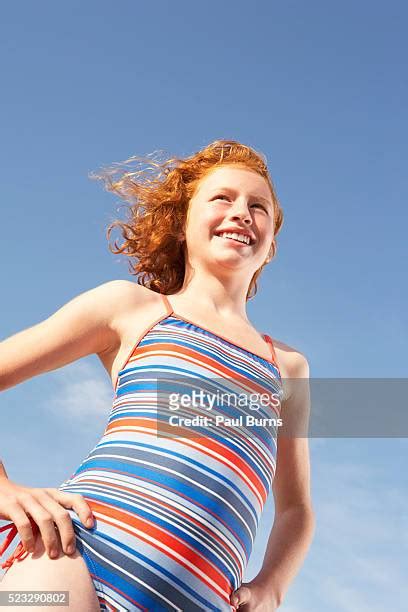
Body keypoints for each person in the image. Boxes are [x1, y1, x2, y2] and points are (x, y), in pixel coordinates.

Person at [0, 140, 315, 611]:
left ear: (271, 242)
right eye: (222, 198)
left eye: (258, 206)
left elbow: (296, 509)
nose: (242, 213)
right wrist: (5, 490)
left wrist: (273, 584)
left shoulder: (287, 367)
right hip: (71, 559)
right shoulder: (133, 310)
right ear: (182, 222)